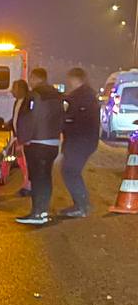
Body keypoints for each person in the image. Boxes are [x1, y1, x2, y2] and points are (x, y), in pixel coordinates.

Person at [15, 68, 63, 226]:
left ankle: (38, 213)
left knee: (37, 178)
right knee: (45, 177)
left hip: (37, 142)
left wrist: (23, 139)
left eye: (31, 78)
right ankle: (43, 210)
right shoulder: (56, 94)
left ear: (35, 78)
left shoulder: (34, 95)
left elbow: (29, 118)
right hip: (53, 142)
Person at [58, 67, 100, 218]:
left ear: (75, 79)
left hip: (79, 140)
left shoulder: (78, 97)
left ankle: (82, 206)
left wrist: (62, 124)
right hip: (84, 140)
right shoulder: (88, 94)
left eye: (69, 79)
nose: (68, 82)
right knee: (70, 171)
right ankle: (82, 204)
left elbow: (70, 118)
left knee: (70, 171)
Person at [9, 78, 32, 196]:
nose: (11, 91)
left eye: (14, 88)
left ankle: (28, 187)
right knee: (22, 162)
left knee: (27, 163)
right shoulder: (18, 101)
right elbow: (16, 119)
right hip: (19, 138)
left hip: (25, 140)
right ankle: (26, 184)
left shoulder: (28, 102)